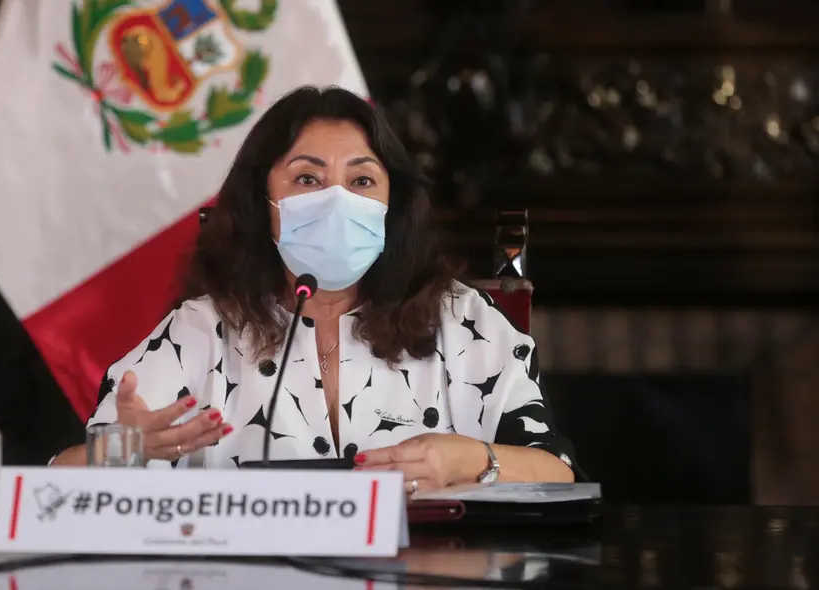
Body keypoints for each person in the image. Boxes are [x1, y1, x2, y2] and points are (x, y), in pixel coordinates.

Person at [52, 85, 577, 491]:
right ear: (263, 202)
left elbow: (557, 474)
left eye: (362, 181)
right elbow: (57, 479)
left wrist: (470, 460)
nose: (337, 201)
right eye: (307, 179)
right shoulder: (203, 330)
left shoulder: (462, 321)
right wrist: (123, 450)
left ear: (392, 205)